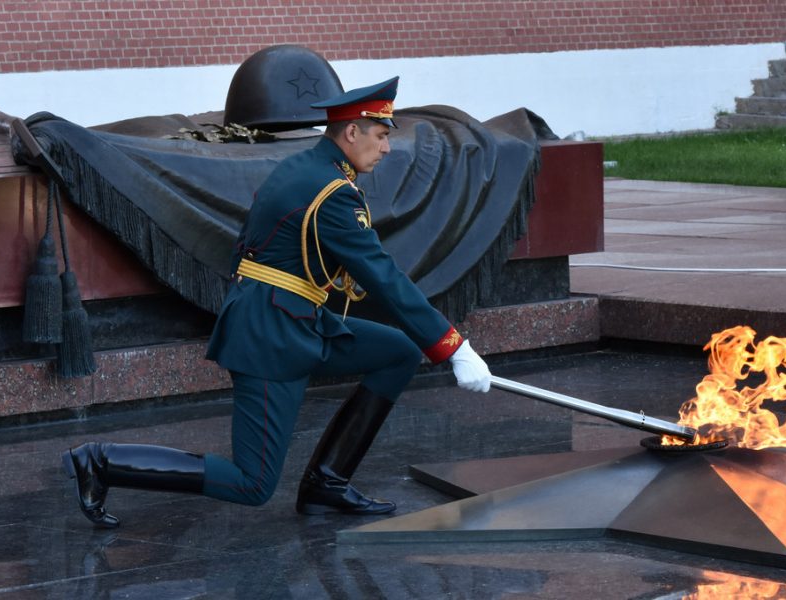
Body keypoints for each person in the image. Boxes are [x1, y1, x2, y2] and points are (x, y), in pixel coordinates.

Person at [62, 76, 493, 528]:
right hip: (270, 334)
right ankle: (101, 462)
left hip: (294, 319)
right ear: (351, 133)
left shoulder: (308, 168)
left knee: (397, 352)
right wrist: (454, 348)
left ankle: (326, 483)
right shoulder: (331, 193)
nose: (386, 148)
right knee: (252, 484)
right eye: (382, 135)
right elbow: (384, 278)